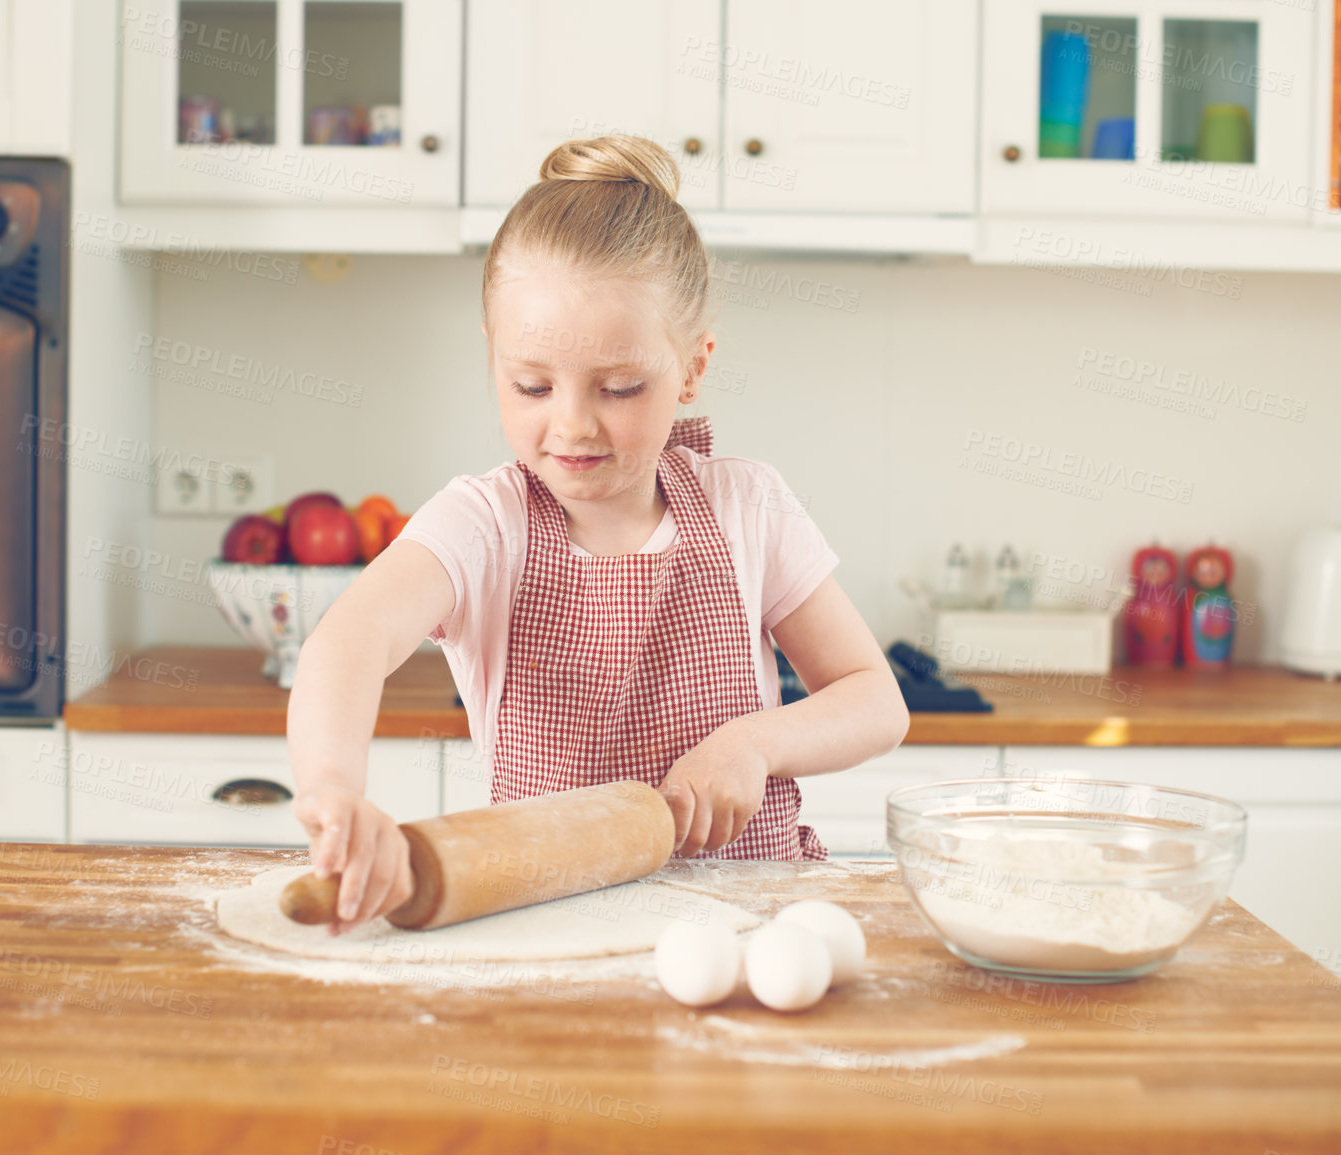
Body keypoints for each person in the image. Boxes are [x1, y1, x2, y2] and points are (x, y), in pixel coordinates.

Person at [287, 135, 909, 935]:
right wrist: (336, 791)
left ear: (691, 367)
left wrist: (753, 744)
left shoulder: (747, 506)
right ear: (492, 360)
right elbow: (349, 640)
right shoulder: (484, 525)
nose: (572, 423)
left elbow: (875, 701)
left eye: (619, 387)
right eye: (532, 384)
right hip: (550, 926)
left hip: (747, 921)